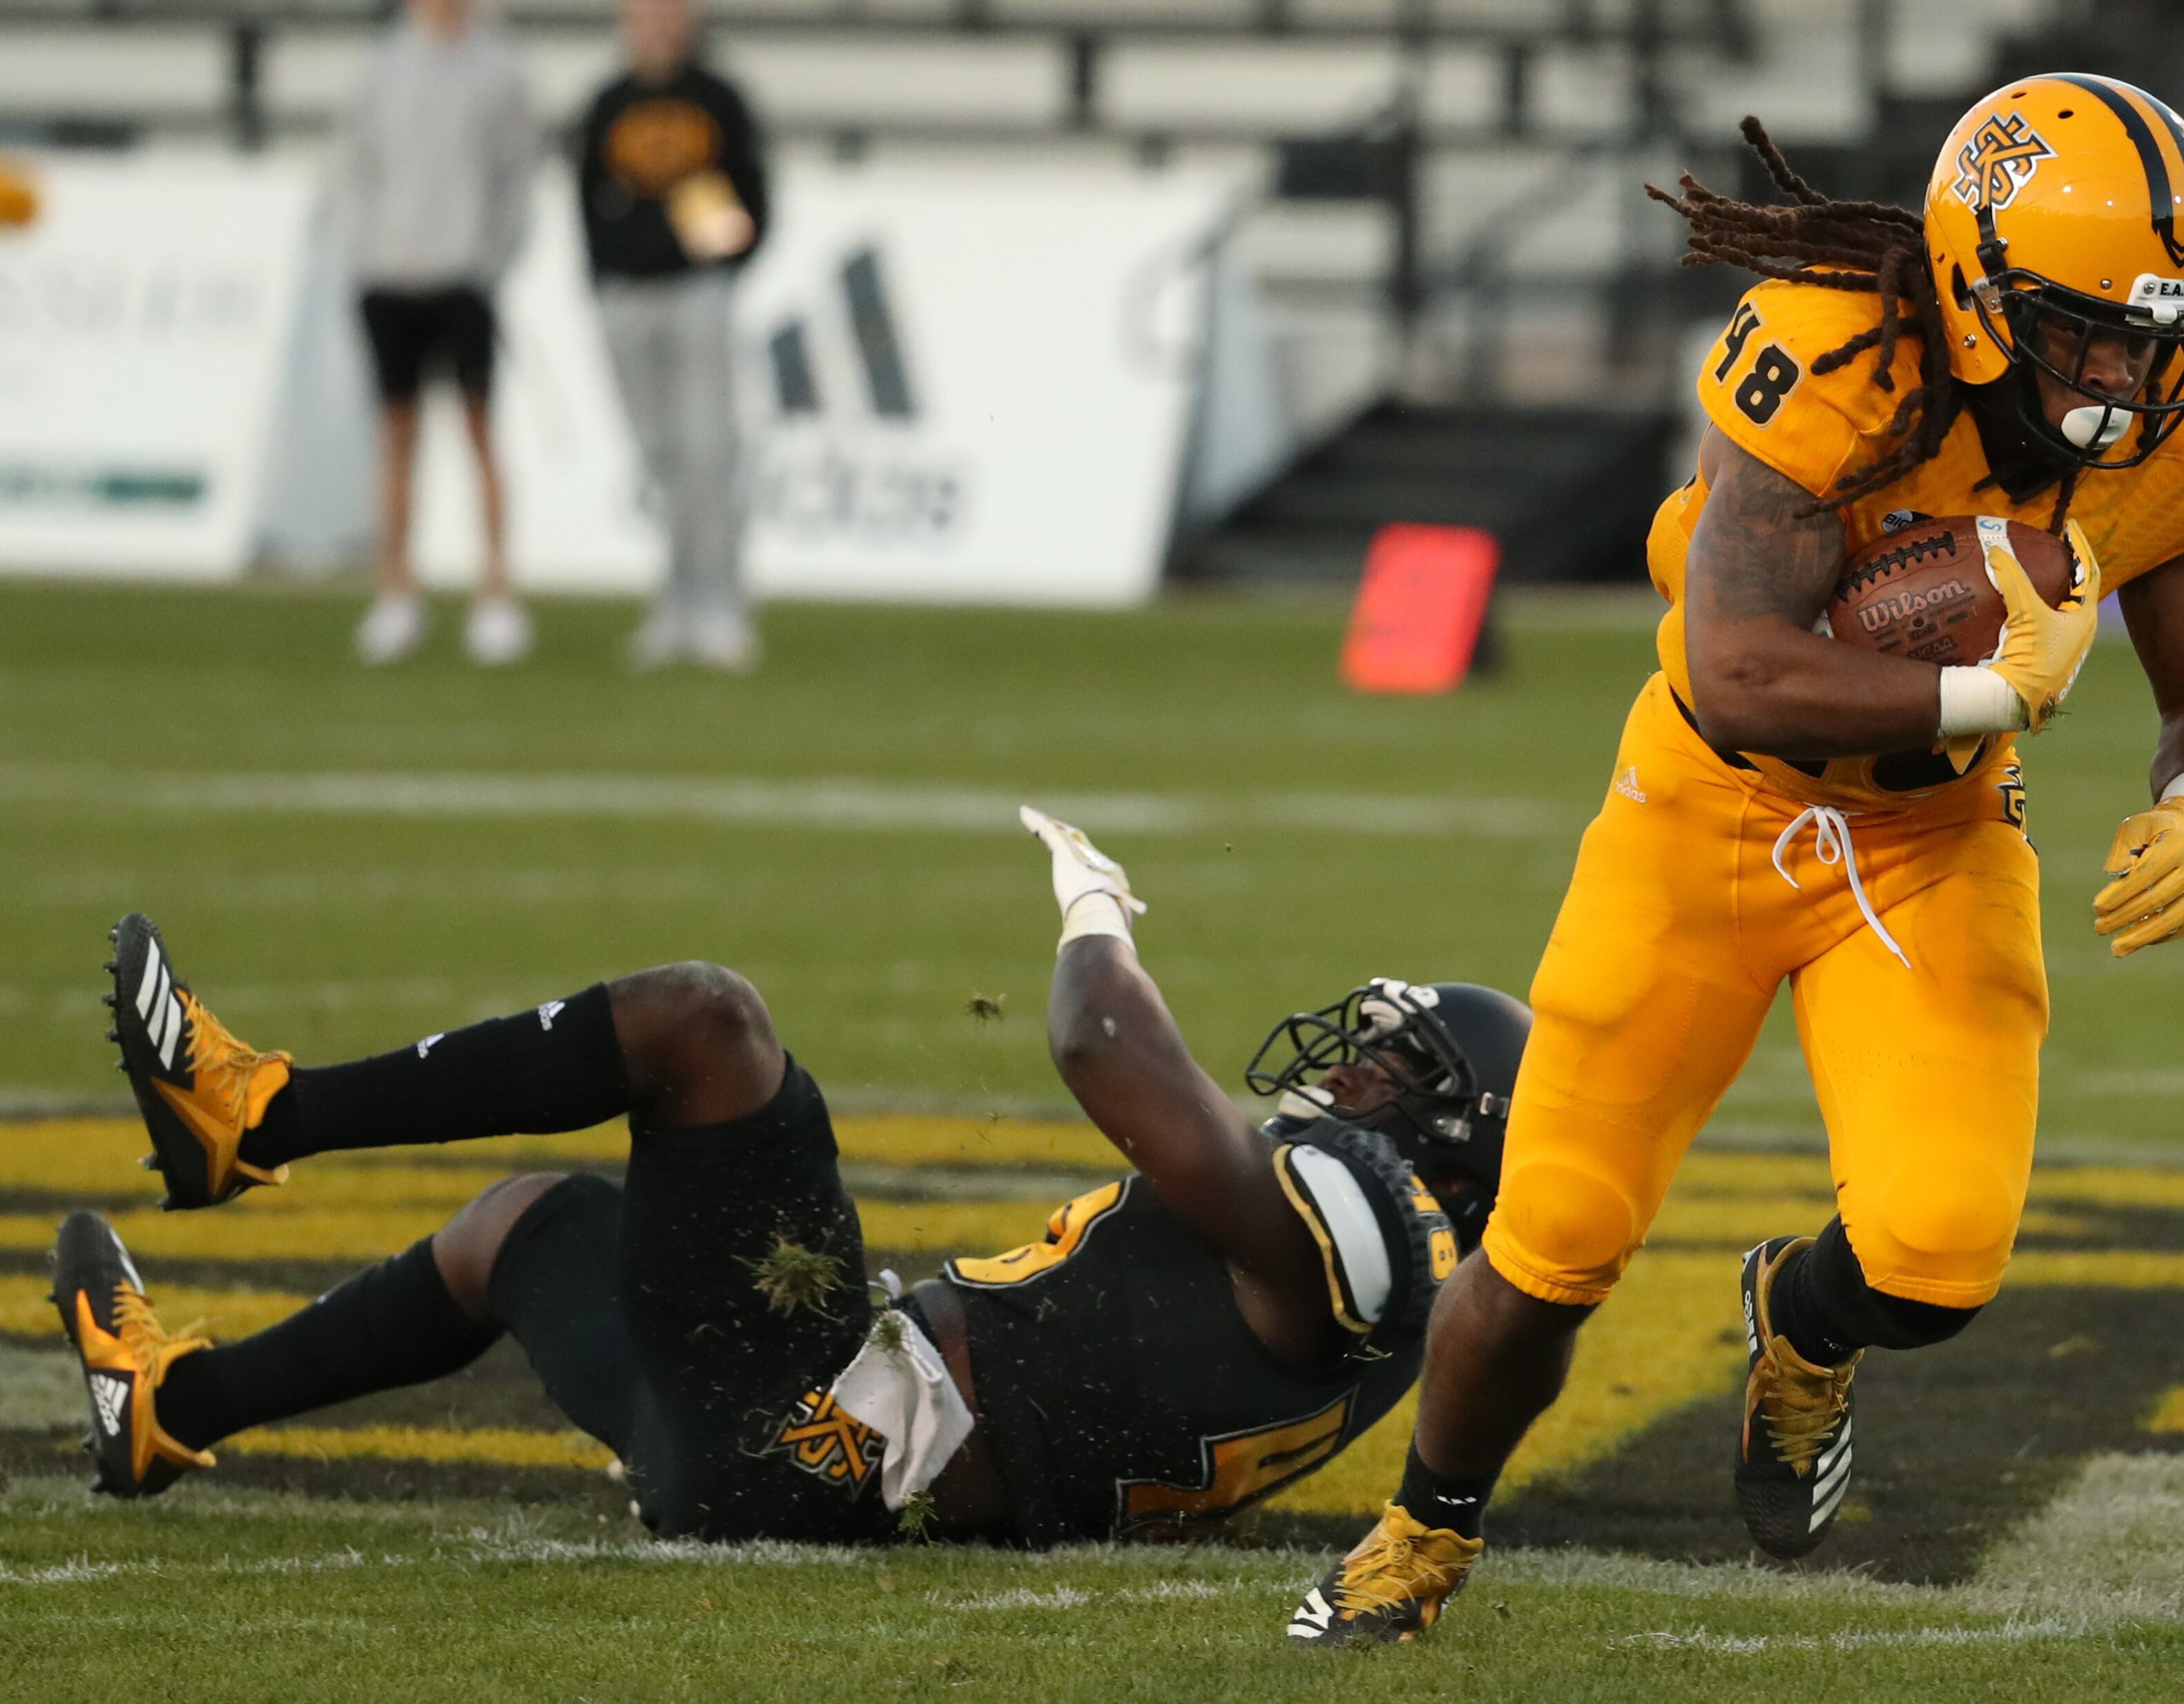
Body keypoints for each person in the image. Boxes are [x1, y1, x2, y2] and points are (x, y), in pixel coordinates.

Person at [1288, 78, 2184, 1646]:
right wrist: (1986, 691)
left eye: (2156, 335)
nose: (2123, 375)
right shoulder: (1836, 355)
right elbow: (1736, 664)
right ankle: (1419, 1528)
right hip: (1705, 810)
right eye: (2083, 330)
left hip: (1927, 835)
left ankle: (1795, 1327)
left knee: (1939, 1254)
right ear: (1969, 287)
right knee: (1552, 1239)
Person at [58, 813, 1524, 1549]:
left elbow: (1102, 1048)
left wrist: (1096, 905)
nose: (1343, 1075)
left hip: (818, 1436)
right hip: (789, 1468)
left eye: (1390, 1067)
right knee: (534, 1226)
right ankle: (165, 1409)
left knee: (709, 1026)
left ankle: (249, 1112)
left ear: (1451, 1134)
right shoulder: (1392, 1291)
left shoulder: (1370, 1237)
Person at [340, 0, 537, 669]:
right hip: (387, 276)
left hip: (463, 277)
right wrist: (367, 254)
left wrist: (490, 261)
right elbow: (358, 168)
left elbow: (518, 175)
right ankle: (396, 592)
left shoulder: (500, 67)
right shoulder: (381, 63)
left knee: (479, 431)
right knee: (396, 435)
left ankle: (497, 593)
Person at [577, 0, 769, 672]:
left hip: (696, 295)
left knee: (710, 449)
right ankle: (676, 600)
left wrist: (719, 262)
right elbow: (589, 201)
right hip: (630, 298)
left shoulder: (716, 99)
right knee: (660, 456)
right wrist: (608, 277)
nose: (655, 24)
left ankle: (720, 603)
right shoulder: (608, 102)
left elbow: (751, 197)